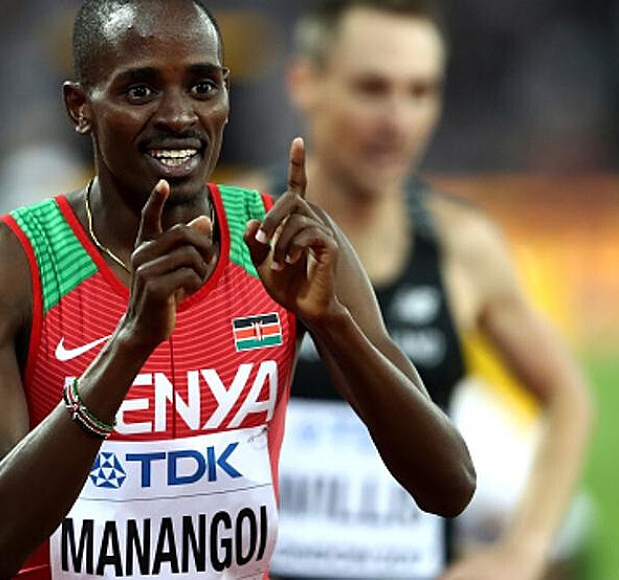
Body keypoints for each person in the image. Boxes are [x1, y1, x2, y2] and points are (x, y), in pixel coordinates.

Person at [0, 1, 475, 578]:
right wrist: (130, 345)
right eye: (140, 91)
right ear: (79, 108)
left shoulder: (285, 243)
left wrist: (332, 322)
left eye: (202, 86)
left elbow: (449, 486)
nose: (178, 116)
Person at [243, 1, 595, 579]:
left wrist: (524, 552)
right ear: (305, 83)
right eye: (372, 88)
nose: (397, 120)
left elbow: (567, 396)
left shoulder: (462, 248)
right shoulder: (233, 232)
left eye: (420, 91)